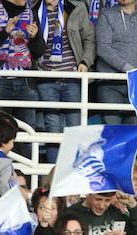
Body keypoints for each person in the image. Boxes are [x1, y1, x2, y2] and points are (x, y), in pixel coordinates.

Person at [33, 0, 94, 163]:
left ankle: (73, 175)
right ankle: (53, 176)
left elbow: (89, 38)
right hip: (46, 77)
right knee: (52, 129)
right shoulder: (34, 9)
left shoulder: (75, 7)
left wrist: (85, 62)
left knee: (75, 128)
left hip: (72, 77)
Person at [0, 0, 43, 143]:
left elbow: (39, 51)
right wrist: (4, 32)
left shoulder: (31, 14)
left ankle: (24, 166)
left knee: (27, 135)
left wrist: (35, 37)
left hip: (25, 81)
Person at [95, 0, 137, 125]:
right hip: (110, 84)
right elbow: (103, 48)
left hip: (136, 85)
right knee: (113, 132)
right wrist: (127, 67)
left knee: (134, 133)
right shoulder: (106, 15)